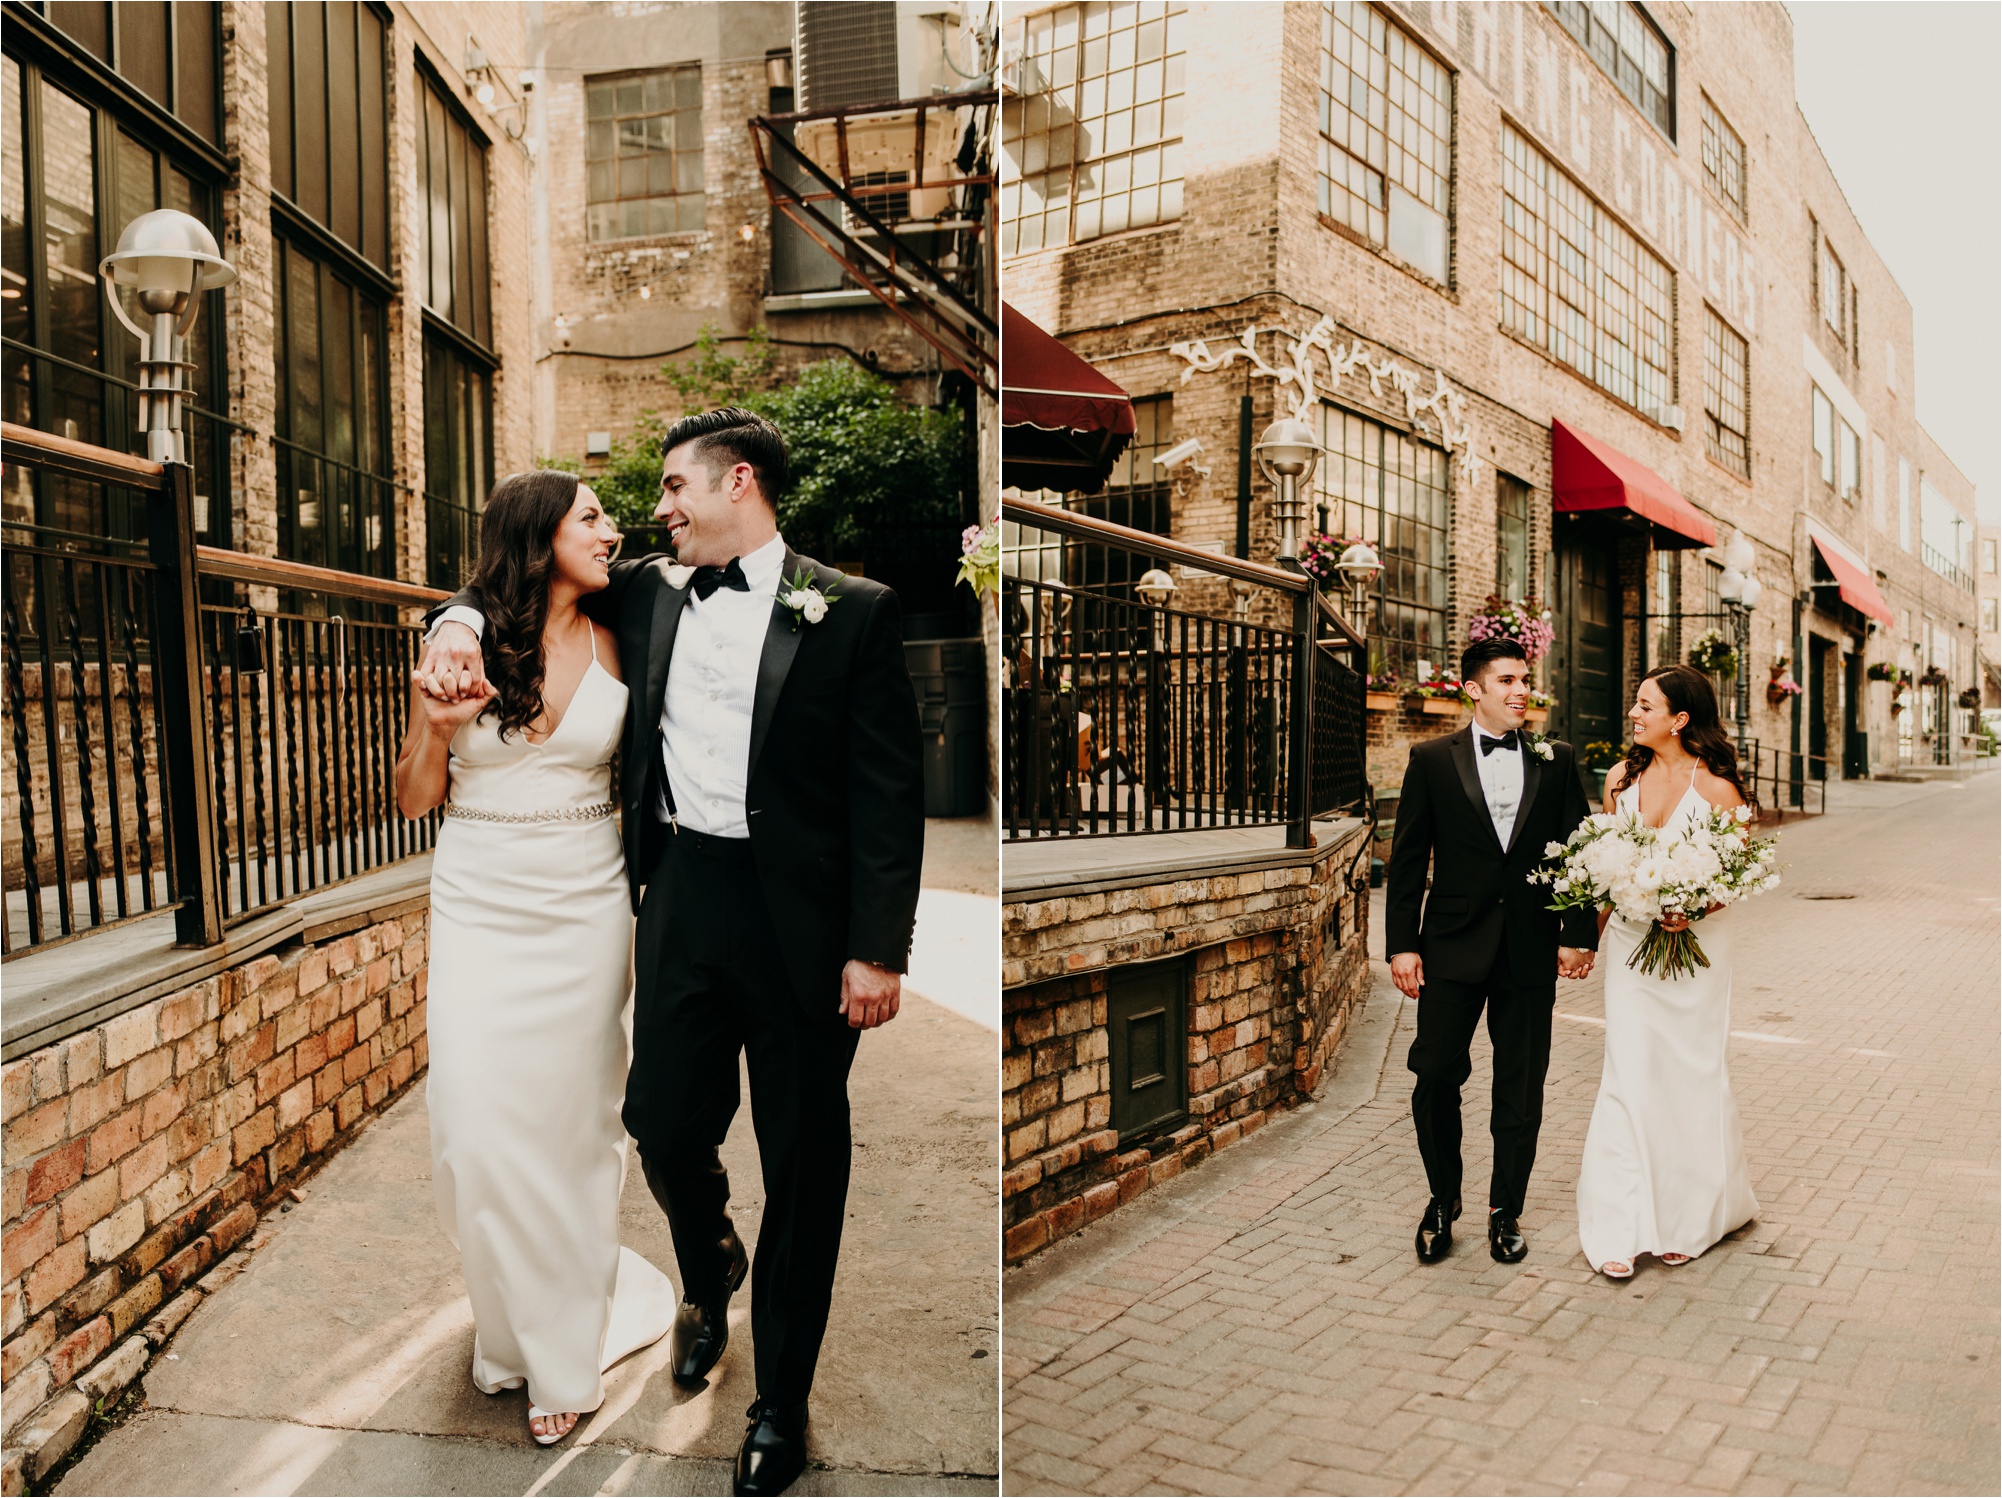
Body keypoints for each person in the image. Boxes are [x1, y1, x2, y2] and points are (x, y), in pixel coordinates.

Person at [417, 407, 925, 1495]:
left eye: (672, 490)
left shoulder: (853, 613)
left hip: (807, 926)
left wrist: (877, 947)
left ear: (735, 483)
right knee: (658, 1125)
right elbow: (509, 583)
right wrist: (451, 626)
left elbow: (890, 796)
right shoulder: (644, 592)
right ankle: (708, 1270)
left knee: (802, 1160)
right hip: (680, 898)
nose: (656, 510)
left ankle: (779, 1402)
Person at [394, 470, 678, 1446]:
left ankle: (562, 1353)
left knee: (573, 1131)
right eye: (591, 516)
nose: (613, 529)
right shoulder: (461, 634)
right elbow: (412, 798)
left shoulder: (618, 629)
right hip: (479, 898)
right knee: (470, 1133)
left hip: (587, 902)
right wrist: (434, 727)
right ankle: (511, 1323)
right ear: (536, 531)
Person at [1384, 637, 1598, 1266]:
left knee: (1520, 1088)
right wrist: (1401, 945)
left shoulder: (1555, 759)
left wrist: (1578, 932)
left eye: (1523, 679)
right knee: (1434, 1077)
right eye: (1505, 680)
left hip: (1529, 951)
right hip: (1449, 947)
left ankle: (1506, 1209)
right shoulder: (1430, 759)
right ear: (1473, 689)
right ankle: (1441, 1201)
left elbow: (1577, 852)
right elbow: (1407, 860)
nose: (1519, 689)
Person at [1577, 663, 1760, 1279]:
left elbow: (1740, 876)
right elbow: (1604, 867)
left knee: (1689, 1072)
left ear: (1680, 720)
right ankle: (1619, 1224)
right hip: (1632, 945)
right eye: (1636, 703)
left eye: (1646, 706)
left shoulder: (1718, 788)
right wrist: (1586, 943)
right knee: (1628, 1073)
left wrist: (1695, 905)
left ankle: (1693, 1217)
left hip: (1697, 951)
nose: (1634, 714)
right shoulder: (1619, 779)